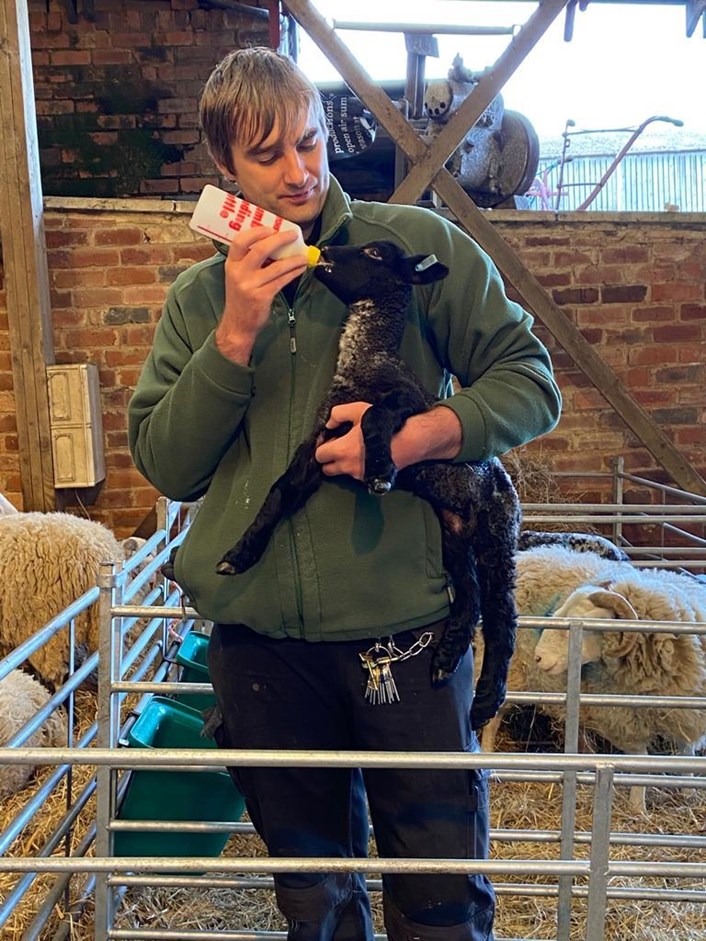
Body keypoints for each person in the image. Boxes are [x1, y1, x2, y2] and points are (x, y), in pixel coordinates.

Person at [128, 46, 561, 941]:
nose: (300, 172)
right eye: (269, 155)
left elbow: (530, 380)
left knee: (440, 897)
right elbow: (171, 465)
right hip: (260, 643)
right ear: (225, 169)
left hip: (405, 626)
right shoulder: (198, 298)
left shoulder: (415, 250)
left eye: (311, 142)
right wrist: (236, 333)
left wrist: (412, 439)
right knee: (314, 902)